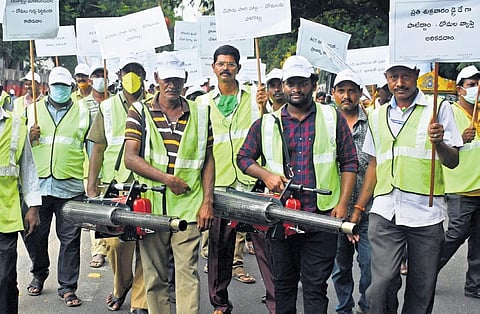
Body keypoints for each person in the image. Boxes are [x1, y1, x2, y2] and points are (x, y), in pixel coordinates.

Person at [237, 55, 358, 314]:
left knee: (315, 287)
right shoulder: (267, 123)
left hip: (321, 217)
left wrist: (343, 204)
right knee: (283, 286)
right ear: (282, 85)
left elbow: (349, 162)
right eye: (291, 83)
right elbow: (243, 157)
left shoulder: (331, 117)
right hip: (281, 218)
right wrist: (265, 175)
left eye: (302, 83)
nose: (296, 89)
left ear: (313, 84)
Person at [354, 63, 463, 314]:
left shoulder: (438, 109)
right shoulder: (376, 115)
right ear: (386, 79)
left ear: (416, 76)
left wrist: (440, 143)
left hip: (426, 212)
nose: (400, 83)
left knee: (421, 289)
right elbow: (373, 163)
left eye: (405, 76)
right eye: (394, 77)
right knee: (380, 285)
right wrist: (359, 207)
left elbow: (453, 160)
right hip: (385, 211)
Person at [124, 51, 215, 314]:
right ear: (156, 79)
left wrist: (207, 202)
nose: (172, 85)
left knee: (188, 274)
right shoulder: (139, 111)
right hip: (151, 207)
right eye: (167, 79)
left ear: (185, 79)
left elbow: (208, 160)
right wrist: (167, 180)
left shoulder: (200, 113)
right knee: (154, 277)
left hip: (189, 207)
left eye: (177, 79)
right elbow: (131, 158)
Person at [197, 44, 275, 314]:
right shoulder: (202, 102)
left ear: (239, 68)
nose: (226, 68)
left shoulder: (257, 96)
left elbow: (269, 130)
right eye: (221, 63)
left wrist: (266, 108)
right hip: (219, 185)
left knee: (267, 248)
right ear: (214, 67)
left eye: (231, 64)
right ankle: (220, 303)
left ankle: (277, 302)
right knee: (219, 249)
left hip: (252, 183)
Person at [86, 57, 149, 313]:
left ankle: (140, 301)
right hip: (116, 185)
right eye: (127, 73)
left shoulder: (153, 106)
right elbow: (98, 148)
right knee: (115, 244)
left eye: (137, 74)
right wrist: (92, 183)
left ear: (145, 79)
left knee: (147, 243)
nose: (131, 78)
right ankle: (122, 286)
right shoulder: (108, 107)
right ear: (119, 76)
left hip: (146, 185)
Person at [25, 66, 90, 307]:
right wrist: (27, 137)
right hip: (39, 187)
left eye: (64, 86)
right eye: (56, 86)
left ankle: (68, 287)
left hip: (71, 186)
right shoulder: (32, 111)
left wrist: (93, 182)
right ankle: (39, 272)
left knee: (70, 239)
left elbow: (91, 148)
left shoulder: (83, 111)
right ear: (47, 87)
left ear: (71, 87)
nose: (59, 90)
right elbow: (18, 148)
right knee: (34, 235)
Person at [330, 69, 372, 314]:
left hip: (367, 208)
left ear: (359, 93)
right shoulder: (326, 123)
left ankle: (365, 307)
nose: (346, 96)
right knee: (340, 267)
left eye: (352, 90)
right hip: (335, 210)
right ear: (334, 93)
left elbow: (375, 167)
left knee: (369, 266)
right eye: (341, 91)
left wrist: (358, 208)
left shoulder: (373, 123)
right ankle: (343, 308)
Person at [439, 65, 480, 299]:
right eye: (471, 85)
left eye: (478, 84)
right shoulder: (449, 111)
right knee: (456, 234)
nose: (476, 89)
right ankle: (424, 271)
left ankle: (475, 285)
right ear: (459, 89)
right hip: (460, 187)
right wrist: (460, 139)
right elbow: (440, 145)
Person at [0, 104, 42, 314]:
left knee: (5, 278)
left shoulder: (16, 124)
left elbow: (28, 168)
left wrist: (33, 207)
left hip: (5, 216)